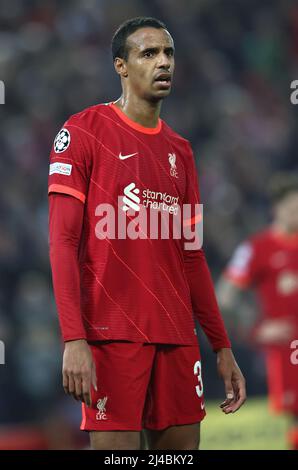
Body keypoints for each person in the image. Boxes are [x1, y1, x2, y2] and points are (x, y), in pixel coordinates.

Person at [48, 16, 246, 450]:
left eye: (169, 53)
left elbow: (191, 256)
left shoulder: (181, 152)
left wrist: (221, 346)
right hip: (112, 333)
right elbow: (62, 243)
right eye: (149, 53)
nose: (163, 63)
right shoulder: (83, 132)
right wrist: (73, 339)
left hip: (177, 337)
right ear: (121, 65)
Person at [217, 173, 298, 450]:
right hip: (286, 352)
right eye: (291, 207)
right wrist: (255, 329)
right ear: (276, 208)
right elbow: (225, 297)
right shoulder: (257, 249)